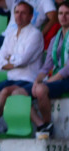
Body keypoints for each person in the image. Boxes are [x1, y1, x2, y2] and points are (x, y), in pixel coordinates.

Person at [0, 2, 45, 126]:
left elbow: (23, 60)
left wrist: (9, 59)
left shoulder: (35, 34)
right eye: (16, 12)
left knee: (6, 91)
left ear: (31, 16)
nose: (19, 16)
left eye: (23, 13)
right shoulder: (10, 34)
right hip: (11, 79)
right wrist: (12, 61)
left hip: (28, 80)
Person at [28, 3, 69, 138]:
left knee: (40, 90)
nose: (64, 17)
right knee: (19, 92)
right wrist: (37, 80)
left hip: (65, 79)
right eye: (60, 13)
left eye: (67, 13)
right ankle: (40, 123)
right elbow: (46, 66)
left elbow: (67, 69)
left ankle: (47, 124)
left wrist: (47, 82)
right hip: (57, 78)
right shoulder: (55, 39)